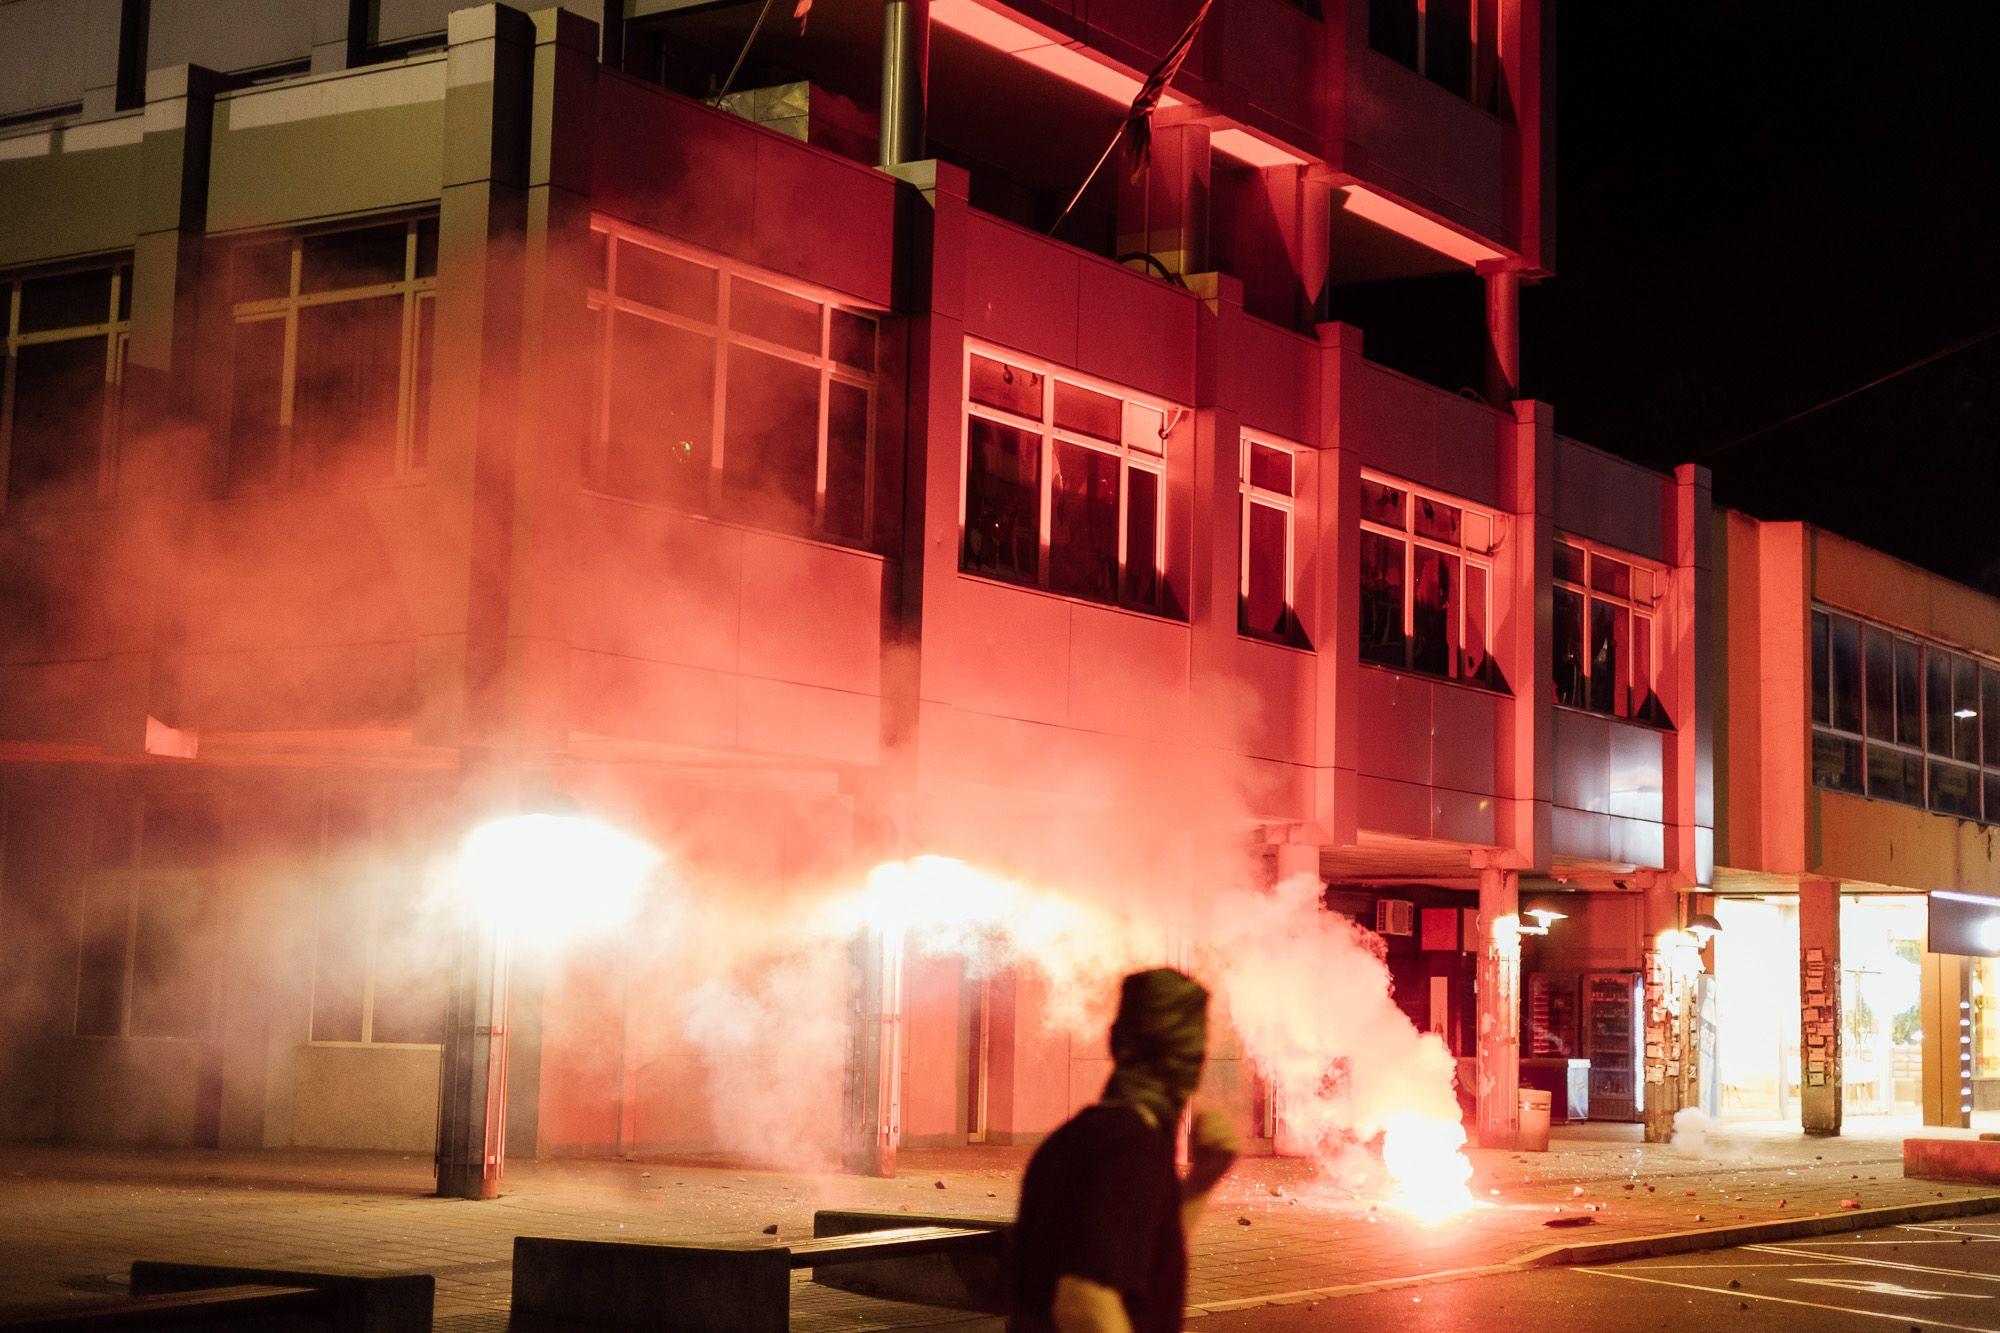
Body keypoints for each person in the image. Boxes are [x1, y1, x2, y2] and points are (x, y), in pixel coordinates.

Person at [1010, 967, 1238, 1332]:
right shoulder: (1133, 1151)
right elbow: (1084, 1303)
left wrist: (1200, 1183)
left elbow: (1138, 1258)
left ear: (1115, 1042)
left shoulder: (1071, 1140)